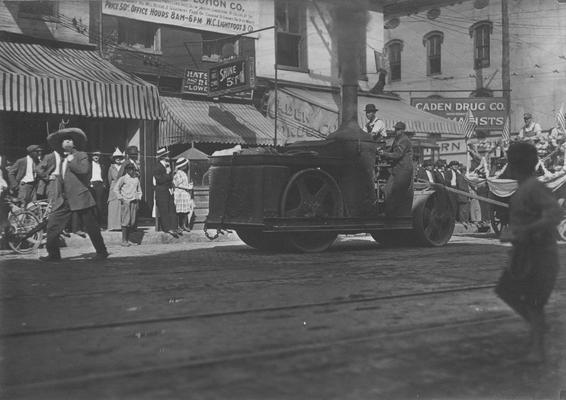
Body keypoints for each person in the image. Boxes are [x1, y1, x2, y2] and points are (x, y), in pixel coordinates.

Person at [495, 141, 562, 363]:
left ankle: (538, 346)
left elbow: (553, 214)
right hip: (526, 253)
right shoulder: (525, 188)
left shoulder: (533, 187)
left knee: (533, 302)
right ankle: (538, 329)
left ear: (513, 166)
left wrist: (525, 230)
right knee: (508, 291)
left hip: (540, 253)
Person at [39, 128, 108, 262]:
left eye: (69, 140)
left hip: (80, 197)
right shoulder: (61, 159)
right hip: (64, 198)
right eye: (64, 141)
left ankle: (101, 251)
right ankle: (53, 254)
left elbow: (83, 170)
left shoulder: (81, 155)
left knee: (91, 226)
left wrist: (71, 160)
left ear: (74, 143)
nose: (67, 143)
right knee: (53, 225)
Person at [378, 121, 414, 217]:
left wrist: (384, 154)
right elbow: (392, 151)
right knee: (388, 190)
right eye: (395, 129)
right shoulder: (398, 139)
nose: (395, 131)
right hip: (397, 170)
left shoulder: (404, 140)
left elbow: (398, 154)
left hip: (403, 170)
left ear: (402, 130)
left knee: (396, 192)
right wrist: (383, 151)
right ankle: (389, 213)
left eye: (398, 129)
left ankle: (394, 214)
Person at [153, 147, 179, 238]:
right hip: (161, 191)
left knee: (171, 208)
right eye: (166, 156)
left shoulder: (167, 166)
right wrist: (168, 175)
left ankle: (174, 227)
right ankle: (168, 228)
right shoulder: (157, 166)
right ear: (162, 157)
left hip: (168, 190)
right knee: (164, 209)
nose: (168, 157)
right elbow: (159, 180)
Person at [114, 163, 142, 247]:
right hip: (126, 201)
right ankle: (124, 240)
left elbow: (139, 190)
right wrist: (121, 198)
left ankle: (130, 240)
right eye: (129, 169)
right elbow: (116, 189)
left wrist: (138, 198)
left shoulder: (136, 179)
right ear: (126, 170)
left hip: (134, 201)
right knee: (126, 221)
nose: (131, 171)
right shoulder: (123, 178)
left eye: (132, 169)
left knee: (132, 221)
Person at [173, 157, 194, 232]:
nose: (186, 166)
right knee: (179, 211)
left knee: (185, 211)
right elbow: (177, 184)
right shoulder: (177, 174)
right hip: (179, 194)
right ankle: (179, 225)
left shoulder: (184, 173)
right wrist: (187, 187)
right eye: (185, 165)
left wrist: (189, 186)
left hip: (185, 194)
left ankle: (184, 225)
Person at [107, 148, 124, 231]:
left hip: (122, 188)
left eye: (120, 157)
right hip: (114, 188)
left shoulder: (123, 167)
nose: (118, 159)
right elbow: (109, 179)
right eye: (116, 157)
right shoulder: (111, 168)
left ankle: (120, 226)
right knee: (113, 206)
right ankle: (112, 226)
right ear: (114, 158)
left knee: (121, 206)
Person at [89, 150, 107, 228]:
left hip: (100, 184)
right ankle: (91, 224)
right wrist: (89, 183)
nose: (96, 157)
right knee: (92, 204)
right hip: (91, 184)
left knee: (99, 205)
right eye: (94, 155)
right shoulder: (89, 165)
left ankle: (99, 224)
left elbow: (105, 175)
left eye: (97, 155)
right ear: (92, 156)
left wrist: (104, 184)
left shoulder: (102, 165)